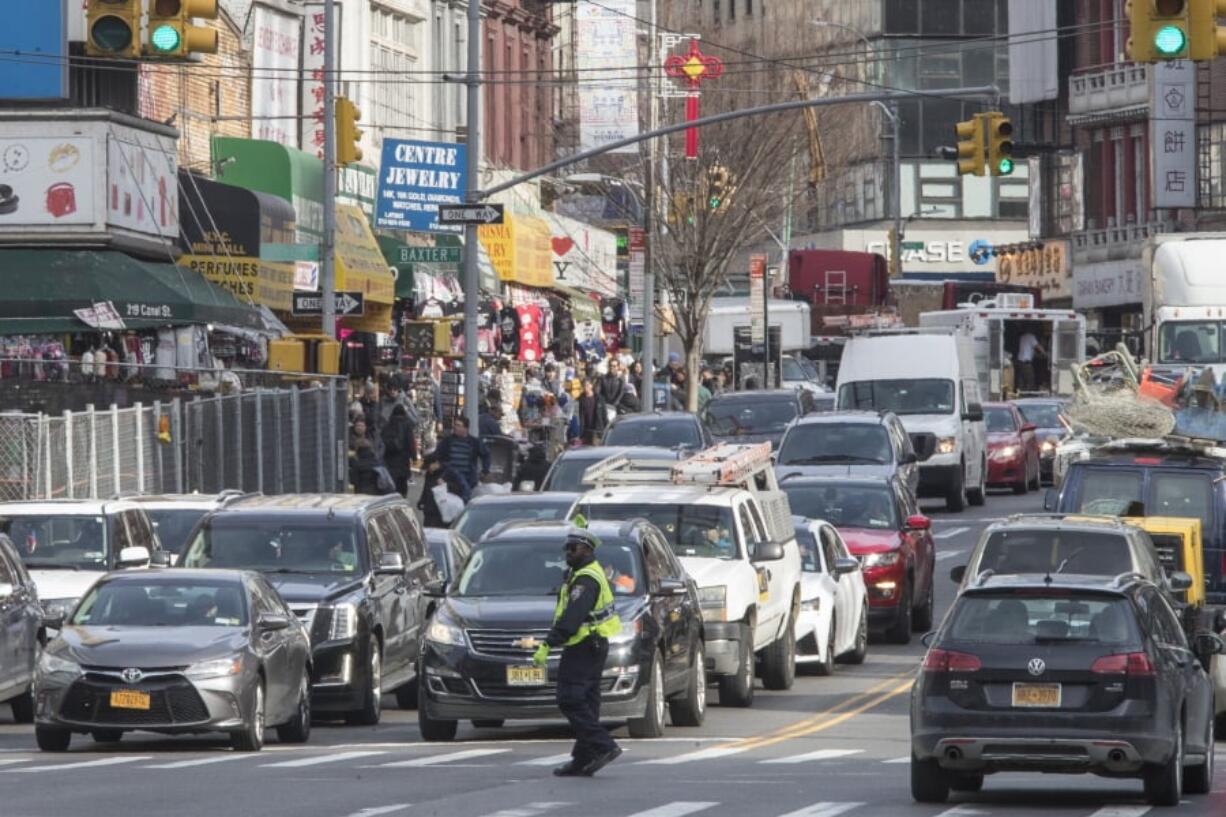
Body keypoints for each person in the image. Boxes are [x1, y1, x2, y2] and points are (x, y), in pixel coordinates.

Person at [531, 528, 623, 777]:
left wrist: (549, 643)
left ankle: (603, 745)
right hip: (592, 645)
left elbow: (572, 618)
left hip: (582, 645)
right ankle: (583, 758)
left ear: (587, 550)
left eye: (573, 548)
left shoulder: (586, 580)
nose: (567, 552)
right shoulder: (582, 574)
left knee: (569, 699)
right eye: (567, 548)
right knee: (588, 702)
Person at [435, 416, 490, 501]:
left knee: (465, 499)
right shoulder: (448, 441)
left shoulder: (474, 442)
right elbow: (438, 455)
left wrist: (485, 471)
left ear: (465, 428)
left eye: (458, 425)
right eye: (455, 425)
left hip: (468, 479)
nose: (455, 427)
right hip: (451, 479)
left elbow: (486, 454)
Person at [382, 403, 417, 497]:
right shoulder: (407, 424)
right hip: (403, 459)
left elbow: (382, 441)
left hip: (390, 460)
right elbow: (411, 441)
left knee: (392, 483)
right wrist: (414, 457)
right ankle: (401, 499)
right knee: (402, 483)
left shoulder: (388, 424)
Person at [417, 455, 447, 528]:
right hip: (428, 509)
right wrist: (421, 500)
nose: (428, 469)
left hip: (440, 510)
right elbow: (426, 488)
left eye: (429, 467)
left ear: (436, 463)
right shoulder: (429, 474)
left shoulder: (445, 473)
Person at [576, 379, 607, 445]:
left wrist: (606, 428)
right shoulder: (580, 400)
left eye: (587, 385)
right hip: (586, 431)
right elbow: (580, 417)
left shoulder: (599, 399)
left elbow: (604, 415)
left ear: (591, 386)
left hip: (598, 430)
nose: (585, 387)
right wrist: (580, 434)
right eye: (584, 386)